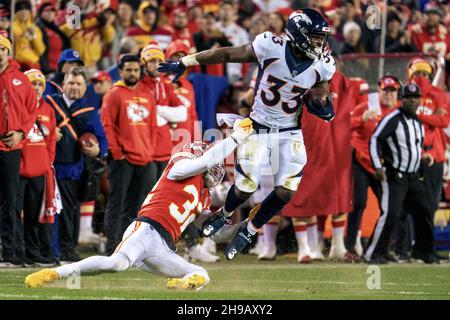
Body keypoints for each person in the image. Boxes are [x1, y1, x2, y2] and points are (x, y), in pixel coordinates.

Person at [159, 8, 336, 260]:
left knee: (287, 189)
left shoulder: (323, 63)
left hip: (289, 130)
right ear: (299, 34)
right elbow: (227, 53)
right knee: (246, 187)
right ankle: (224, 214)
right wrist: (186, 61)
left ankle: (250, 230)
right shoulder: (270, 46)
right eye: (315, 37)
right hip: (258, 127)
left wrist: (323, 105)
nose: (320, 43)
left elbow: (321, 91)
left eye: (321, 38)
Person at [24, 119, 254, 290]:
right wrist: (234, 138)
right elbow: (206, 160)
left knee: (201, 274)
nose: (216, 169)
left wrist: (245, 225)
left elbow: (214, 232)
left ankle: (180, 284)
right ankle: (55, 274)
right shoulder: (179, 168)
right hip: (146, 229)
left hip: (163, 245)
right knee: (116, 264)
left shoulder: (203, 196)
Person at [366, 83, 436, 264]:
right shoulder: (393, 119)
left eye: (416, 98)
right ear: (401, 100)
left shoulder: (418, 121)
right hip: (395, 177)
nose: (413, 101)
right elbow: (375, 139)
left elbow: (412, 148)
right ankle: (373, 253)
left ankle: (423, 251)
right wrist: (377, 166)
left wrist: (423, 159)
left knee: (425, 211)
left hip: (413, 177)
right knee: (391, 214)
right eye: (409, 98)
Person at [46, 66, 108, 263]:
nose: (74, 87)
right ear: (63, 84)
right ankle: (46, 248)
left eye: (78, 84)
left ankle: (65, 249)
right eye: (71, 83)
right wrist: (49, 129)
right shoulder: (49, 103)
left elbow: (102, 140)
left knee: (68, 210)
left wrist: (98, 151)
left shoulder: (89, 111)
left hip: (73, 168)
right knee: (47, 210)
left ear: (85, 87)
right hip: (46, 165)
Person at [101, 54, 159, 255]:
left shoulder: (148, 94)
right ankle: (112, 248)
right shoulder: (114, 94)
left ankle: (130, 247)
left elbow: (152, 127)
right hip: (122, 159)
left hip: (145, 159)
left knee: (139, 206)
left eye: (135, 70)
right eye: (128, 70)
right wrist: (117, 153)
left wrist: (150, 151)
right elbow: (107, 125)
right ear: (120, 71)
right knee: (116, 204)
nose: (132, 73)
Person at [345, 75, 401, 258]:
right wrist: (361, 119)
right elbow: (345, 126)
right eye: (386, 90)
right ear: (379, 90)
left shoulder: (398, 111)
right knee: (359, 203)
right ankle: (351, 248)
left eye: (392, 91)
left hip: (383, 166)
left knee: (390, 209)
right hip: (361, 161)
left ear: (397, 93)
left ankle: (382, 247)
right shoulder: (368, 105)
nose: (389, 94)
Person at [0, 32, 38, 267]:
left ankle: (12, 254)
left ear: (8, 52)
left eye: (2, 49)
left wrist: (21, 133)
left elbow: (31, 109)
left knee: (10, 202)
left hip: (11, 146)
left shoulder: (21, 79)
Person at [18, 69, 58, 266]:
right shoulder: (18, 107)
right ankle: (18, 251)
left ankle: (33, 251)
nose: (36, 88)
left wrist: (46, 161)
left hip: (39, 171)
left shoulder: (49, 110)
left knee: (34, 215)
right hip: (17, 171)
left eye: (40, 84)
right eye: (33, 83)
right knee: (15, 213)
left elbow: (51, 140)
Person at [140, 42, 188, 179]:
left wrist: (157, 109)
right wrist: (168, 115)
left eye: (160, 61)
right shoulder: (138, 86)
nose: (156, 64)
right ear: (144, 63)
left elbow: (182, 114)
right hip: (144, 151)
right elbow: (145, 117)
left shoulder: (166, 85)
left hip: (165, 149)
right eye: (152, 61)